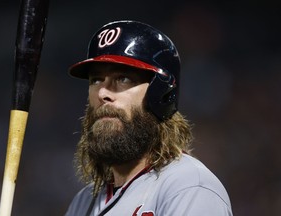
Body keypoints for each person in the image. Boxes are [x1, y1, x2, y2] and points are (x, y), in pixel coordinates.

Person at [65, 20, 233, 216]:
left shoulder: (189, 187)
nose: (103, 92)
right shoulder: (83, 203)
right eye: (96, 80)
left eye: (123, 79)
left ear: (161, 95)